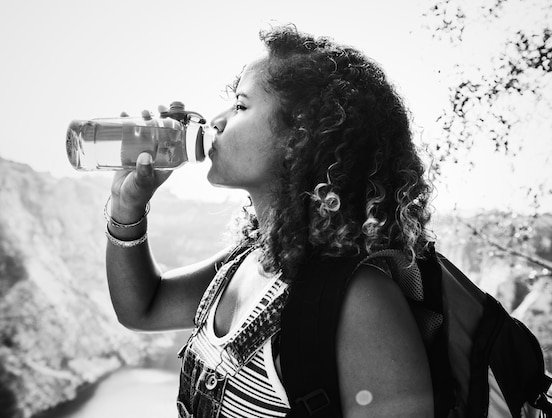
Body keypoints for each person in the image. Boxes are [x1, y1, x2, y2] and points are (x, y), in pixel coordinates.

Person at [105, 25, 435, 418]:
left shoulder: (361, 301)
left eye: (242, 106)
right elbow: (143, 307)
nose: (217, 121)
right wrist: (126, 205)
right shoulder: (250, 260)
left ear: (302, 137)